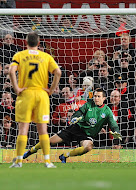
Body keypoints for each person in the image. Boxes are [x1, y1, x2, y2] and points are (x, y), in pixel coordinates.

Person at [23, 88, 122, 163]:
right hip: (75, 128)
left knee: (88, 147)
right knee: (49, 142)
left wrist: (116, 133)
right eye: (95, 96)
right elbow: (79, 112)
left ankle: (65, 156)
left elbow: (114, 125)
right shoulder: (88, 104)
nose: (96, 98)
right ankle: (31, 151)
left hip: (87, 135)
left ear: (104, 98)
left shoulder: (107, 111)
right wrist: (75, 117)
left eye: (98, 96)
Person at [9, 32, 61, 168]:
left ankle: (19, 161)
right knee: (43, 130)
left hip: (25, 94)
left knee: (23, 129)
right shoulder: (46, 56)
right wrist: (51, 90)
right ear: (39, 43)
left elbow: (11, 70)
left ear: (26, 42)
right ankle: (48, 161)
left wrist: (16, 88)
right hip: (41, 94)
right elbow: (58, 72)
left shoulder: (20, 55)